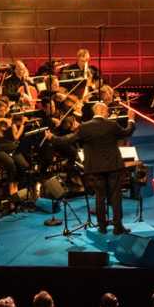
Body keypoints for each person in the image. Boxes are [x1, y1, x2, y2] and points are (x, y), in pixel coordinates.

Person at [48, 100, 135, 235]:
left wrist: (52, 137)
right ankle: (118, 227)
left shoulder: (84, 127)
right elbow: (127, 132)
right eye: (107, 111)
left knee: (100, 197)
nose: (108, 113)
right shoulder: (111, 125)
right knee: (116, 197)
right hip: (113, 166)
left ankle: (102, 227)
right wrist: (131, 120)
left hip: (95, 168)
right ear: (102, 111)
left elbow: (67, 139)